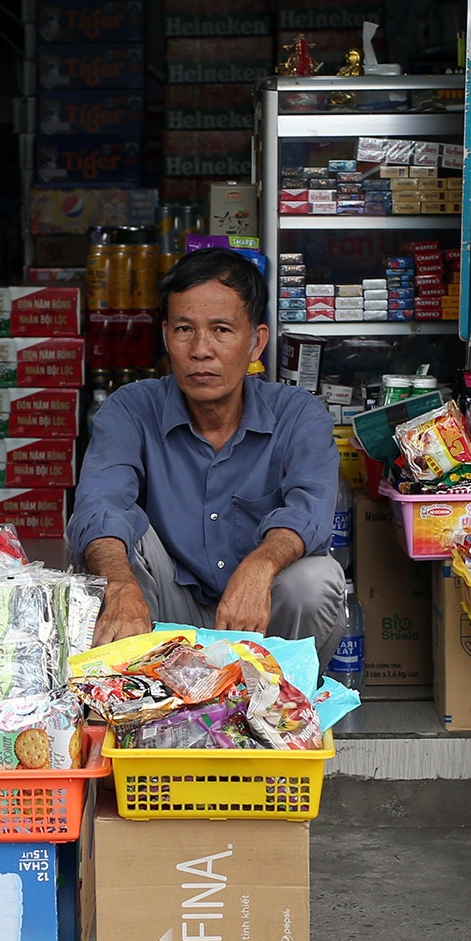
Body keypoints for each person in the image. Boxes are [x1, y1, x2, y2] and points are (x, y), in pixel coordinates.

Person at [66, 247, 348, 660]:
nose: (201, 349)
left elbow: (312, 509)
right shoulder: (130, 408)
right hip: (164, 611)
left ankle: (281, 707)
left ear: (256, 342)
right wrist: (120, 586)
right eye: (184, 329)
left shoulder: (298, 414)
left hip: (260, 615)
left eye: (221, 330)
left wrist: (261, 564)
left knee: (316, 578)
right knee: (109, 544)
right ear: (166, 336)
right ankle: (139, 702)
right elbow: (98, 504)